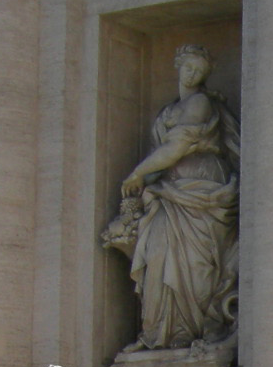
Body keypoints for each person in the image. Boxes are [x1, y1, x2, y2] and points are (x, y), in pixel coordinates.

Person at [103, 43, 240, 351]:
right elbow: (165, 154)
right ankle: (157, 334)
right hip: (169, 190)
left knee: (197, 264)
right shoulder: (168, 110)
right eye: (187, 67)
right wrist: (147, 181)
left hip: (201, 188)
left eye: (198, 71)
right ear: (178, 67)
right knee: (158, 256)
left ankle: (195, 333)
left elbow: (177, 148)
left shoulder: (200, 103)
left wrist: (138, 174)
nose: (191, 74)